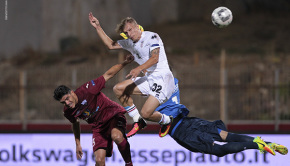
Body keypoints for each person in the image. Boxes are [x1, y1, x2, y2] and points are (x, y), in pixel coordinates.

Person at [89, 12, 175, 137]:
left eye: (130, 30)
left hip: (163, 79)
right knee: (118, 89)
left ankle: (167, 121)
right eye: (126, 32)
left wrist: (138, 69)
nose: (129, 34)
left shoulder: (151, 37)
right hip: (149, 78)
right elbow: (110, 45)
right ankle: (138, 120)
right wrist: (97, 27)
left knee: (146, 113)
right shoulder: (129, 42)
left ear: (137, 27)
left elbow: (155, 58)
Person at [154, 77, 288, 156]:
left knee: (219, 150)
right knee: (227, 136)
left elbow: (146, 111)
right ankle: (268, 143)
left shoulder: (155, 89)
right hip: (190, 121)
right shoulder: (173, 81)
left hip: (180, 131)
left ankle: (258, 146)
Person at [53, 55, 135, 166]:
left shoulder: (88, 89)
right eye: (63, 103)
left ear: (72, 92)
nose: (67, 103)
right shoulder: (68, 111)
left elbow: (108, 74)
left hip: (113, 115)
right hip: (98, 127)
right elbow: (75, 122)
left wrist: (125, 62)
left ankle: (129, 163)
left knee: (117, 136)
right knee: (99, 161)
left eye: (67, 99)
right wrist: (78, 144)